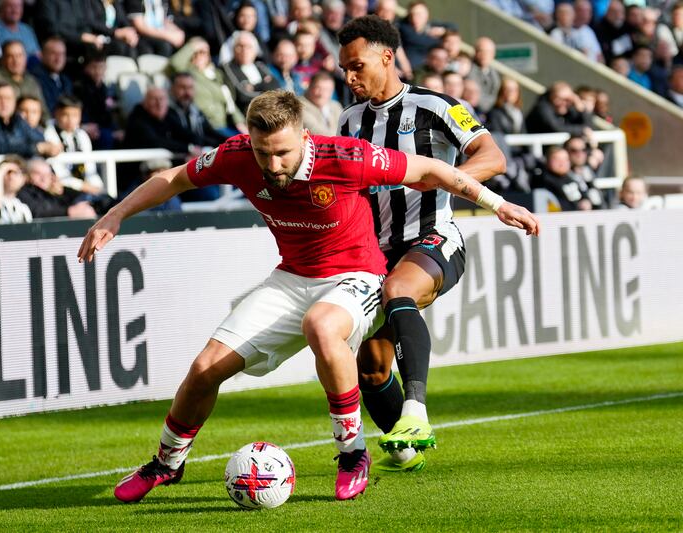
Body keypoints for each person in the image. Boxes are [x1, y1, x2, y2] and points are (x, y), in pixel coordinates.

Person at [77, 89, 538, 504]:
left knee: (321, 325)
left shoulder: (347, 157)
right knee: (203, 369)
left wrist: (499, 206)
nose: (272, 165)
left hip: (358, 275)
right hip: (291, 278)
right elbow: (175, 178)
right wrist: (113, 216)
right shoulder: (237, 155)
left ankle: (352, 454)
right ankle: (166, 464)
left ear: (302, 135)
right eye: (263, 153)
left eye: (281, 153)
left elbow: (432, 169)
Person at [336, 15, 508, 472]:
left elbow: (492, 156)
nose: (350, 78)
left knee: (399, 291)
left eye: (357, 66)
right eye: (344, 70)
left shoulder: (437, 106)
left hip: (434, 238)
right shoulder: (349, 120)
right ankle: (406, 446)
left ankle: (416, 412)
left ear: (386, 56)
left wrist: (444, 180)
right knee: (369, 368)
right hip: (375, 252)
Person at [0, 82, 62, 158]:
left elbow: (37, 137)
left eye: (8, 98)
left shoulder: (15, 117)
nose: (4, 103)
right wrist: (37, 148)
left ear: (14, 102)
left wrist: (46, 146)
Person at [43, 95, 104, 195]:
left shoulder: (82, 135)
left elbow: (90, 167)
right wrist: (82, 186)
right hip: (61, 187)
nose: (71, 120)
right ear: (57, 113)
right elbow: (58, 171)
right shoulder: (48, 134)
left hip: (85, 187)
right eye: (66, 115)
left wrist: (97, 186)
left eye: (75, 115)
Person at [0, 155, 33, 223]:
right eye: (8, 172)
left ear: (24, 178)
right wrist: (0, 171)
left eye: (15, 173)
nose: (11, 177)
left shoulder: (23, 208)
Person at [299, 70, 343, 136]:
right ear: (309, 87)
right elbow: (316, 131)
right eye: (318, 88)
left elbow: (346, 127)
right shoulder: (299, 106)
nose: (321, 94)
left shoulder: (336, 106)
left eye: (326, 89)